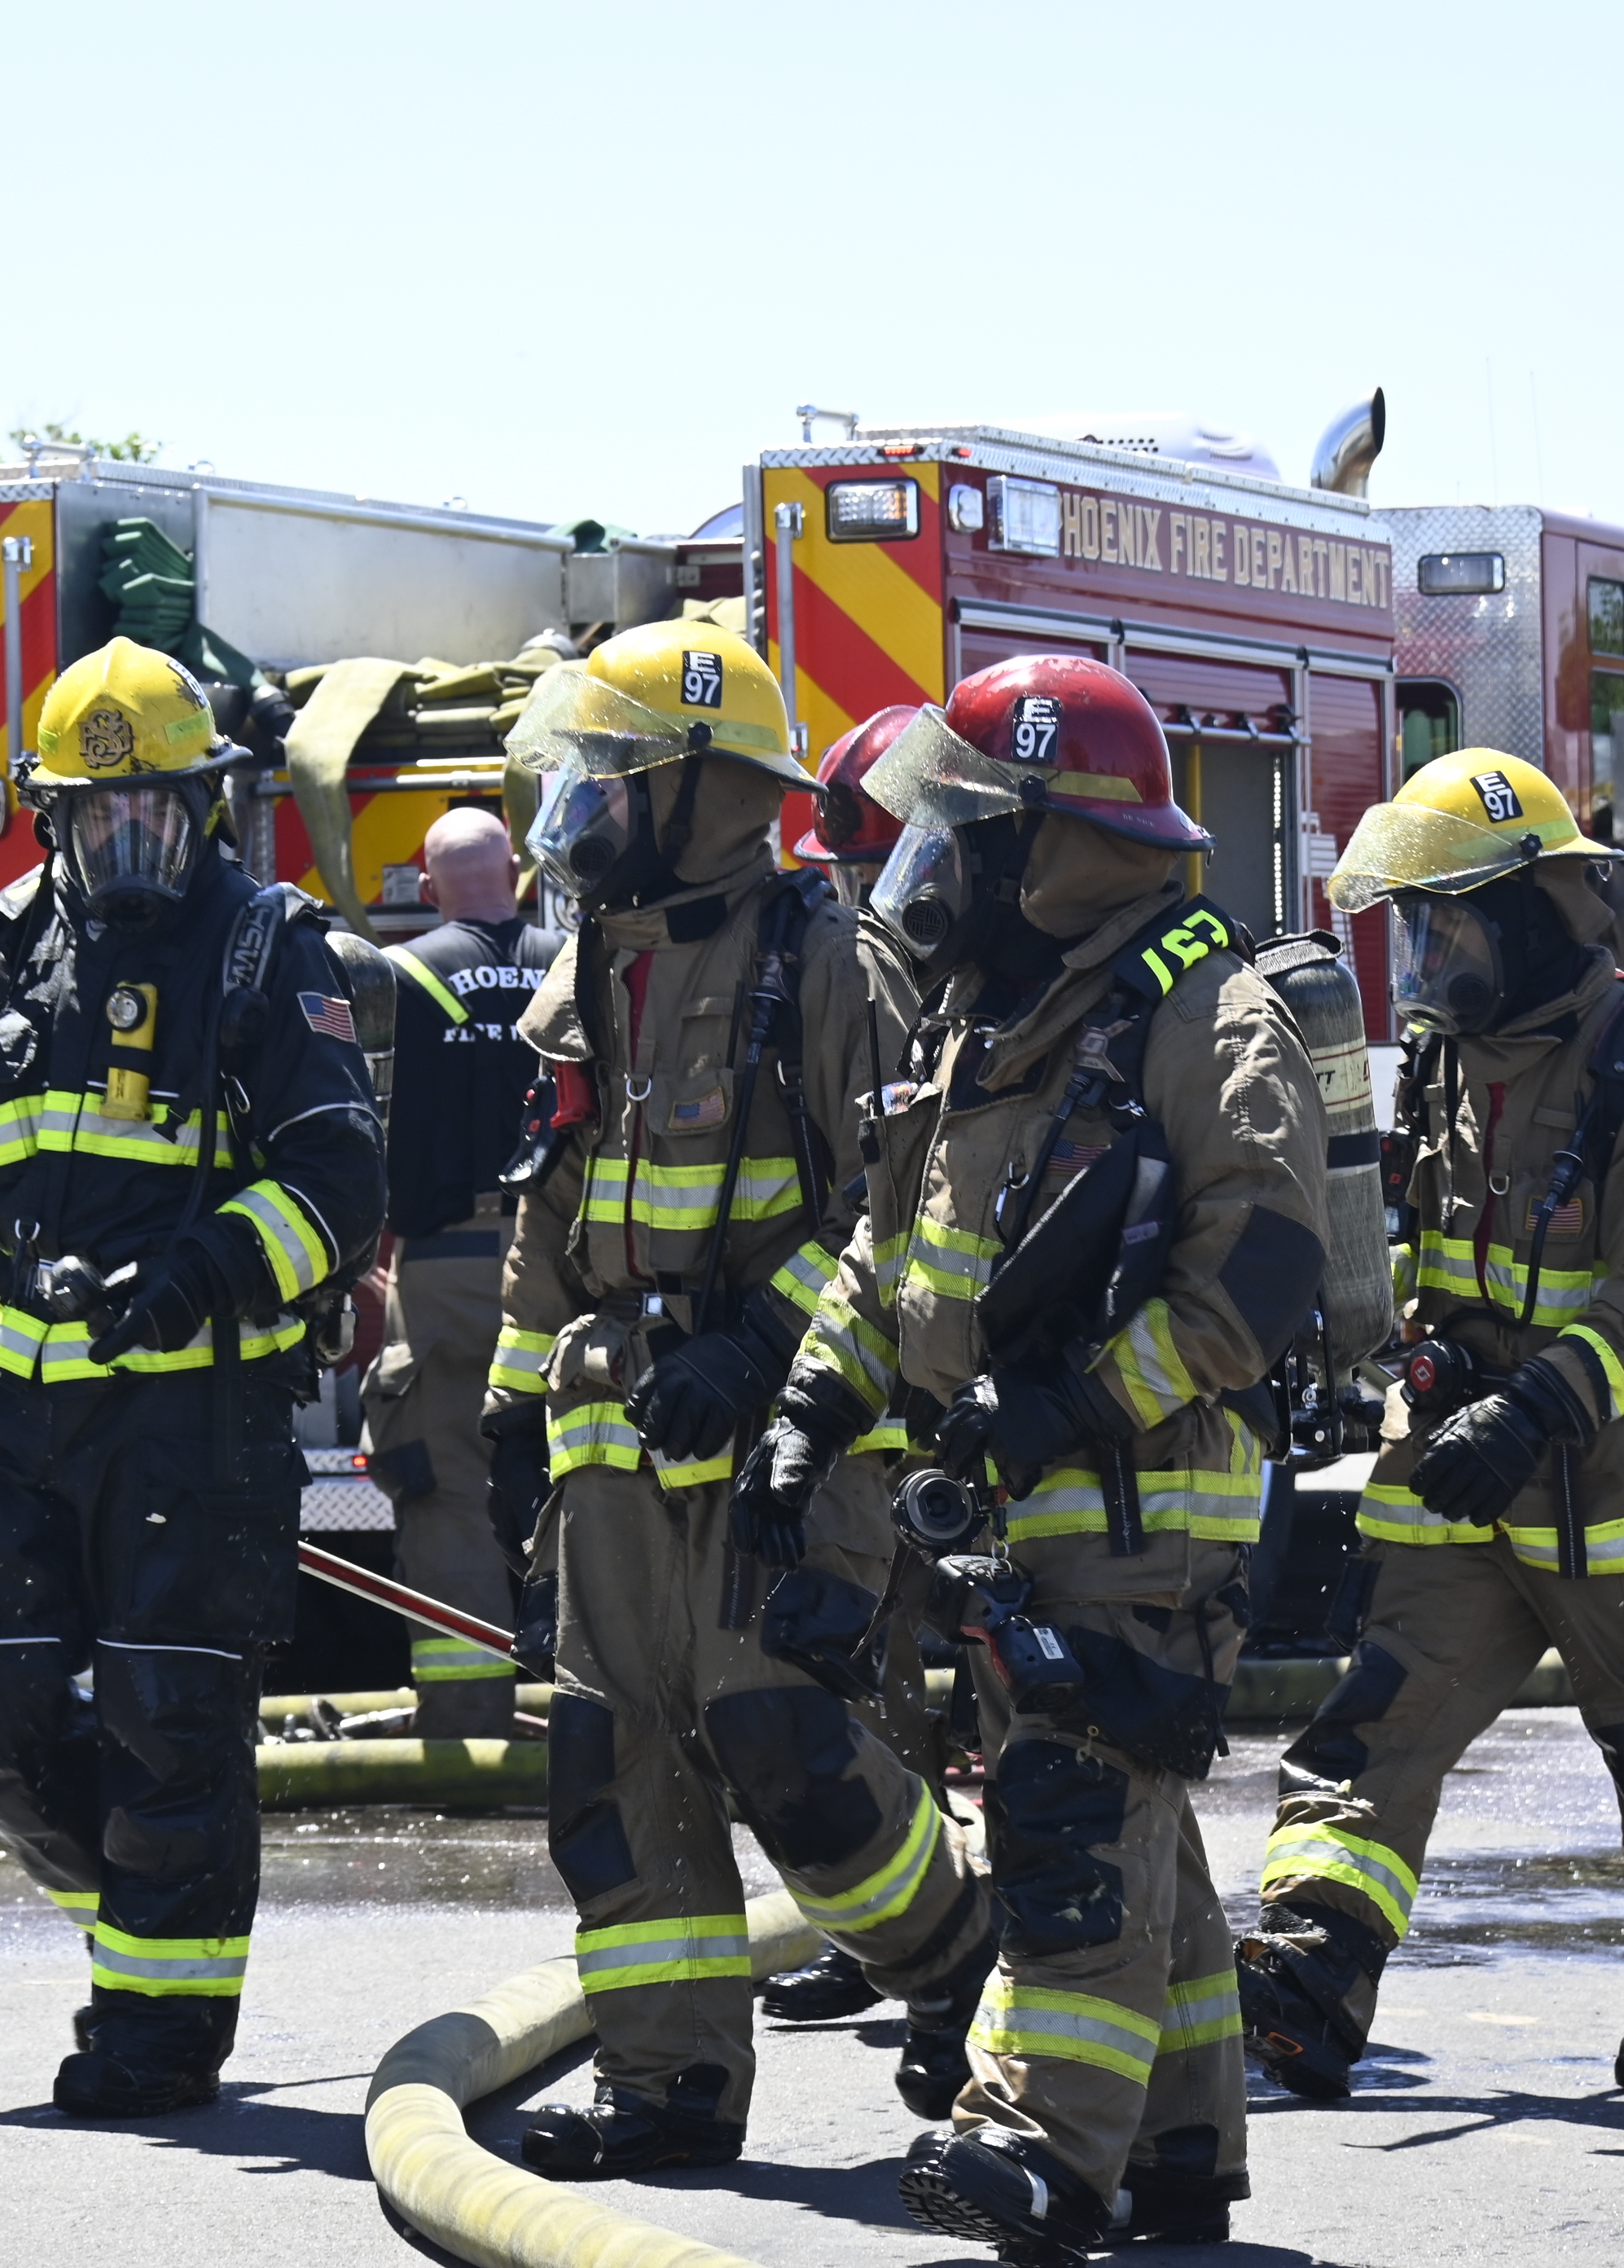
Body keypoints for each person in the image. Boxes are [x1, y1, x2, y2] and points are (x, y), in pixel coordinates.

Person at [744, 657, 1327, 2264]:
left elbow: (1258, 1274)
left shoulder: (1202, 1013)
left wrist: (1072, 1405)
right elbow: (894, 1259)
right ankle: (1181, 2146)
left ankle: (1039, 2145)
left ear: (1055, 842)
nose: (935, 869)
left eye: (966, 833)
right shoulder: (995, 1016)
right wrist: (810, 1407)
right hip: (1019, 1509)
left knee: (1067, 1815)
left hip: (1144, 1503)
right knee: (1127, 1813)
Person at [0, 636, 384, 2119]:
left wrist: (200, 1270)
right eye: (98, 814)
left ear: (203, 805)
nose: (128, 838)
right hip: (13, 1408)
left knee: (168, 1726)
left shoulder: (267, 948)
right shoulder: (10, 942)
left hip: (190, 1415)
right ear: (53, 814)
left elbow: (338, 1183)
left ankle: (158, 2030)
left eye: (154, 810)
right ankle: (150, 1921)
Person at [484, 618, 993, 2180]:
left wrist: (756, 1338)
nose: (583, 803)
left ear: (699, 790)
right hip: (612, 1451)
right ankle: (666, 2087)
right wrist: (506, 1405)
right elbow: (549, 1206)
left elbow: (897, 1208)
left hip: (779, 1442)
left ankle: (953, 1950)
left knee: (781, 1741)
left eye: (611, 772)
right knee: (611, 1762)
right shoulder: (590, 960)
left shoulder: (829, 961)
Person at [1237, 748, 1624, 2115]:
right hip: (1454, 1474)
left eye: (1447, 928)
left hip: (1612, 1487)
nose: (1422, 960)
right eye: (1412, 930)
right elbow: (1426, 1250)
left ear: (1531, 912)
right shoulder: (1440, 1061)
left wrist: (1535, 1403)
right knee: (1371, 1728)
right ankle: (1305, 1982)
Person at [756, 702, 940, 2031]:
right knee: (884, 1667)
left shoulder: (886, 971)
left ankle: (933, 1938)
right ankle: (895, 1930)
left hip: (911, 1389)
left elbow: (878, 1192)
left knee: (895, 1665)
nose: (853, 894)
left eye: (864, 865)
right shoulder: (893, 966)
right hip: (889, 1384)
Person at [358, 807, 559, 1737]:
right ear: (517, 872)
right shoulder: (578, 964)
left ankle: (467, 1717)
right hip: (569, 1263)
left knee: (445, 1487)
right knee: (600, 1483)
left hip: (442, 1269)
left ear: (428, 887)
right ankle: (614, 1715)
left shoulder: (395, 979)